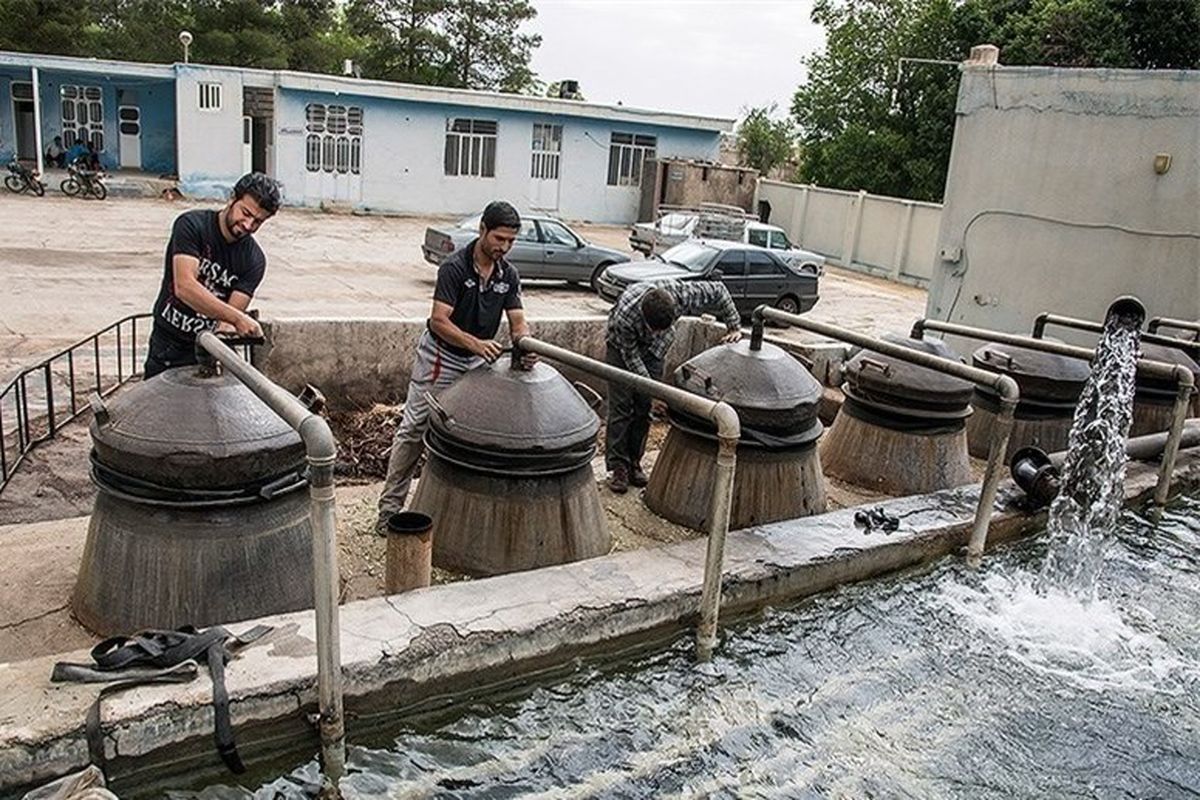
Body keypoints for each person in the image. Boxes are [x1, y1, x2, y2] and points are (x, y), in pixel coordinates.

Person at [377, 200, 531, 528]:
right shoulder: (454, 267)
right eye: (499, 239)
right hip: (441, 358)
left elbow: (518, 321)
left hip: (477, 362)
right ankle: (389, 511)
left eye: (510, 242)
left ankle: (450, 509)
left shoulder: (509, 275)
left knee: (465, 433)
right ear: (482, 231)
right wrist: (476, 344)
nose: (504, 247)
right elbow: (438, 321)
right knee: (415, 430)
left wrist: (524, 345)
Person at [604, 281, 742, 493]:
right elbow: (631, 358)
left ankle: (634, 462)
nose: (658, 333)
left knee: (644, 408)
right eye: (654, 330)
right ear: (644, 317)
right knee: (622, 407)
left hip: (654, 353)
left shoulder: (682, 295)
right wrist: (654, 389)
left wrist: (733, 326)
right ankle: (618, 467)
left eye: (663, 329)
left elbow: (719, 290)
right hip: (623, 350)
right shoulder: (626, 316)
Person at [143, 172, 282, 379]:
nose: (248, 225)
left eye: (257, 222)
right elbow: (185, 287)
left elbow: (227, 322)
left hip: (207, 352)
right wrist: (239, 319)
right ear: (233, 198)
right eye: (245, 213)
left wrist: (228, 329)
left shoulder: (254, 260)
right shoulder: (191, 226)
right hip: (167, 343)